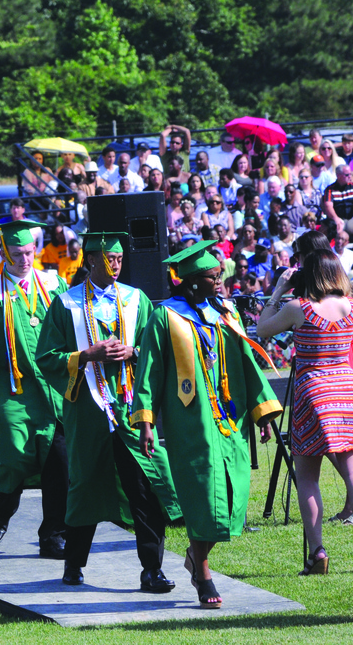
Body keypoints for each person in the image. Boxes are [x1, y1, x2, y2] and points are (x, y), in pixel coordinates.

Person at [131, 240, 282, 607]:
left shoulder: (226, 312)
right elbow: (148, 371)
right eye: (212, 277)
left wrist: (261, 414)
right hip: (191, 422)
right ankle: (203, 571)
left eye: (219, 275)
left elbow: (246, 362)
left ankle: (195, 558)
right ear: (192, 281)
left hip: (230, 419)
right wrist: (146, 422)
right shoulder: (164, 316)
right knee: (204, 499)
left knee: (234, 500)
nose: (220, 282)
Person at [36, 232, 180, 592]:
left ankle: (152, 570)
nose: (114, 265)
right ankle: (73, 564)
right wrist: (86, 355)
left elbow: (156, 347)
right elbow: (46, 358)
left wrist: (131, 353)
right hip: (87, 412)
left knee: (144, 486)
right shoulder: (65, 305)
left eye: (118, 259)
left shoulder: (136, 300)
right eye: (106, 260)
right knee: (85, 487)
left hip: (131, 410)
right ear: (89, 263)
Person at [257, 251, 353, 575]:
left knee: (308, 477)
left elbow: (263, 330)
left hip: (314, 392)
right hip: (349, 389)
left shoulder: (298, 308)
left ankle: (318, 554)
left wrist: (277, 291)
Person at [0, 220, 68, 557]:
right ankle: (4, 508)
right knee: (13, 461)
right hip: (12, 396)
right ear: (4, 253)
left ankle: (53, 535)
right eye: (17, 253)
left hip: (53, 395)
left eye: (29, 252)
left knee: (59, 466)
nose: (25, 259)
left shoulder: (54, 286)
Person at [321, 165, 353, 234]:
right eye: (347, 175)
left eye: (350, 174)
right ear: (338, 176)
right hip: (338, 218)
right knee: (332, 227)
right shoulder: (330, 189)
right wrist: (336, 219)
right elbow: (328, 206)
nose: (350, 176)